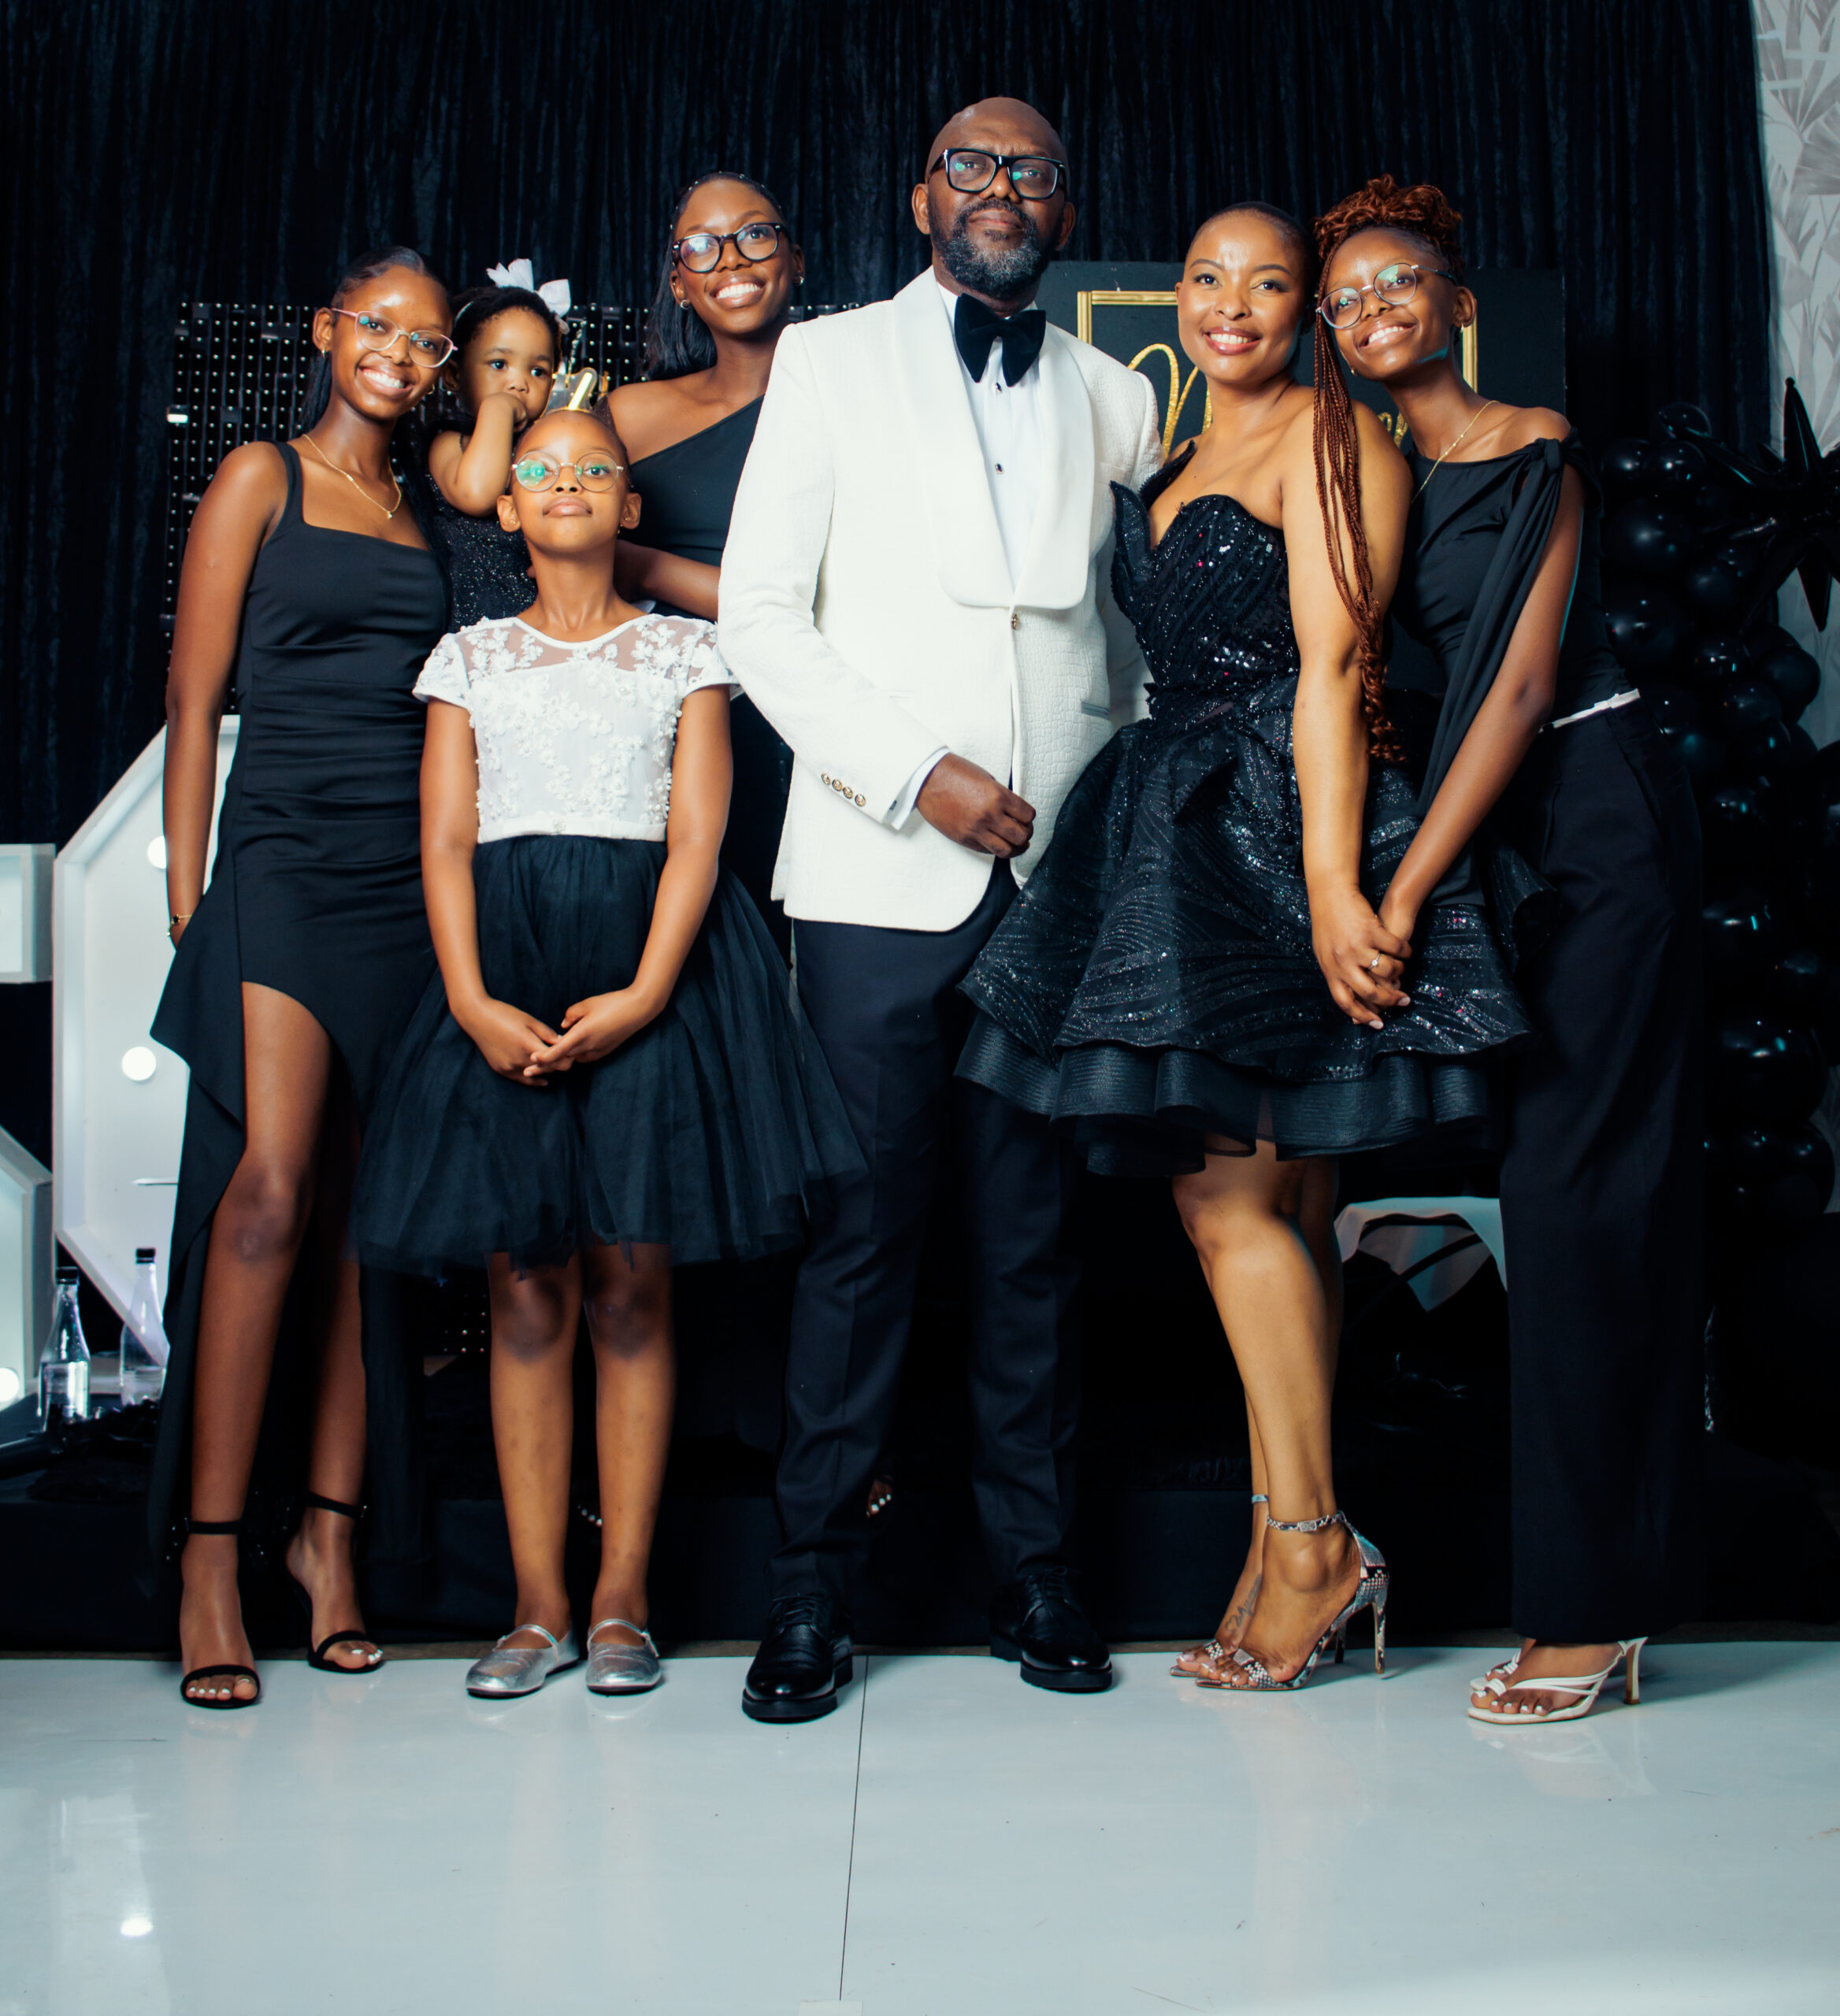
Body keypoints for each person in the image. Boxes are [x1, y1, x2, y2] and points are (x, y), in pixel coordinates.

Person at [958, 204, 1530, 1692]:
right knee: (1272, 1203)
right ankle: (1294, 1541)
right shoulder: (1171, 461)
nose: (1234, 303)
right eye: (1209, 278)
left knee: (1228, 1204)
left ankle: (1314, 1547)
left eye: (1270, 283)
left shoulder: (1337, 444)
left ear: (1306, 315)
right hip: (1176, 808)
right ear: (1177, 300)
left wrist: (1334, 886)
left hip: (1277, 816)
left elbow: (1338, 667)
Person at [718, 97, 1162, 1720]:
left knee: (1034, 1246)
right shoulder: (829, 361)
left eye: (1032, 170)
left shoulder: (1117, 395)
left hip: (1056, 884)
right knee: (860, 1239)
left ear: (1065, 209)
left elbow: (1132, 632)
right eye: (972, 165)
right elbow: (762, 617)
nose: (1001, 188)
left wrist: (1112, 819)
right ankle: (811, 1583)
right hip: (875, 867)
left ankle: (1035, 1570)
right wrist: (920, 774)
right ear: (922, 197)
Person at [350, 408, 859, 1699]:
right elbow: (444, 843)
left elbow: (698, 840)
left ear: (630, 507)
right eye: (541, 468)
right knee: (526, 1290)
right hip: (506, 972)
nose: (567, 481)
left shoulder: (687, 650)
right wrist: (470, 999)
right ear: (507, 508)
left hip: (653, 974)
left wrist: (645, 991)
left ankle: (623, 1596)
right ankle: (537, 1607)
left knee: (633, 1284)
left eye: (594, 468)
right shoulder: (469, 657)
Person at [1319, 176, 1704, 1724]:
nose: (1371, 308)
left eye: (1397, 281)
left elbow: (1522, 683)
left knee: (1578, 1193)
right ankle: (1595, 1586)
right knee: (1547, 1189)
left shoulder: (1532, 443)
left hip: (1594, 813)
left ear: (1458, 302)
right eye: (1345, 297)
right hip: (1498, 843)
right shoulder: (1377, 483)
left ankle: (1590, 1612)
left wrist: (1404, 888)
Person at [153, 248, 454, 1707]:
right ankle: (210, 1558)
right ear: (329, 331)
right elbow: (191, 695)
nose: (399, 350)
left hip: (402, 879)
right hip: (278, 861)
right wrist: (187, 896)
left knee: (360, 1220)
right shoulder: (257, 477)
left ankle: (328, 1543)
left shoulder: (429, 508)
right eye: (377, 324)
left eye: (427, 338)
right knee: (269, 1189)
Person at [603, 171, 805, 951]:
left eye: (753, 234)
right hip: (669, 726)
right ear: (678, 283)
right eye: (701, 246)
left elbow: (842, 596)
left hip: (806, 722)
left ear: (794, 258)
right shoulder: (631, 414)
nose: (731, 260)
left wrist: (646, 567)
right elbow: (565, 558)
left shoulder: (850, 406)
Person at [418, 274, 566, 625]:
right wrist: (498, 407)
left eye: (538, 371)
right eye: (499, 365)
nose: (520, 383)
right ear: (454, 375)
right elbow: (477, 494)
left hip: (538, 613)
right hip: (468, 618)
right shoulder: (449, 442)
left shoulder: (547, 452)